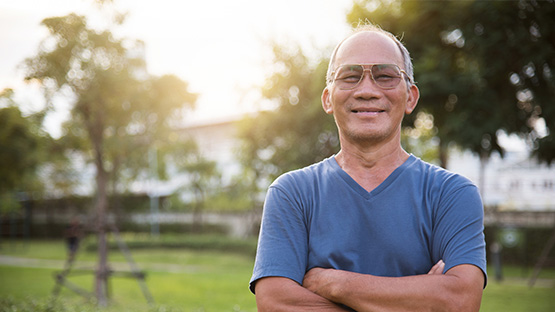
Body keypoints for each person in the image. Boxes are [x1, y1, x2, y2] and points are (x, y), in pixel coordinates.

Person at [249, 24, 487, 311]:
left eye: (385, 76)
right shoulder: (292, 193)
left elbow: (460, 300)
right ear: (328, 98)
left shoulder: (452, 194)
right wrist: (416, 300)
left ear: (410, 97)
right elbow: (275, 302)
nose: (366, 90)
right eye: (349, 76)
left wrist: (334, 284)